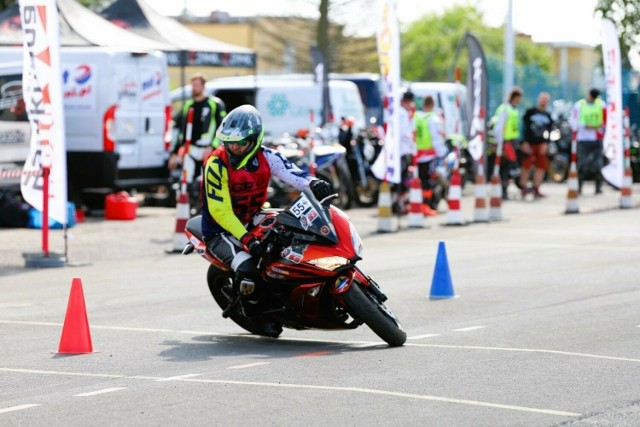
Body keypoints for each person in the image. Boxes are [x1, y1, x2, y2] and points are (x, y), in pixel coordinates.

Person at [201, 104, 332, 332]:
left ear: (254, 139)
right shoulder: (216, 163)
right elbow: (220, 211)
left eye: (241, 142)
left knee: (292, 237)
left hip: (253, 217)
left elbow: (294, 174)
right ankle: (252, 312)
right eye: (229, 142)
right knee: (248, 267)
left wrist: (314, 183)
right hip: (220, 231)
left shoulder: (268, 157)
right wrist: (246, 239)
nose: (234, 147)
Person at [168, 73, 227, 185]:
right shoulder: (188, 105)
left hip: (208, 150)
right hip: (191, 149)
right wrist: (175, 153)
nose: (193, 88)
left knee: (207, 181)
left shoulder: (214, 104)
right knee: (185, 181)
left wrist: (213, 146)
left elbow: (222, 127)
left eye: (196, 85)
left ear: (203, 86)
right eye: (192, 85)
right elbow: (182, 130)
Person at [413, 95, 447, 215]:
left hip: (416, 155)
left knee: (419, 180)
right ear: (433, 105)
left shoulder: (416, 116)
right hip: (428, 155)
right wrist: (442, 155)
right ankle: (425, 205)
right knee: (428, 181)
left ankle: (417, 205)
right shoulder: (434, 118)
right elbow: (436, 139)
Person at [570, 88, 606, 194]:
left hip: (597, 138)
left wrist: (600, 127)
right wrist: (585, 126)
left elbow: (606, 120)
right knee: (582, 164)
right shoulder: (579, 105)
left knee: (598, 164)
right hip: (583, 138)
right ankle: (579, 187)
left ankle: (598, 187)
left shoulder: (601, 105)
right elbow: (573, 121)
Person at [489, 87, 523, 200]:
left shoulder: (513, 109)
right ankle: (502, 191)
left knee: (509, 167)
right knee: (505, 167)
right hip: (505, 142)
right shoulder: (505, 109)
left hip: (512, 141)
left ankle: (505, 189)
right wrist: (499, 142)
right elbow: (499, 127)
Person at [520, 91, 553, 199]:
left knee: (541, 167)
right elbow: (523, 127)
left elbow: (550, 131)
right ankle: (523, 188)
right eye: (542, 99)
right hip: (530, 142)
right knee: (526, 166)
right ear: (538, 99)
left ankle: (536, 188)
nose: (543, 101)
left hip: (541, 143)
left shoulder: (548, 115)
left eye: (546, 100)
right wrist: (523, 142)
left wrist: (546, 143)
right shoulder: (530, 112)